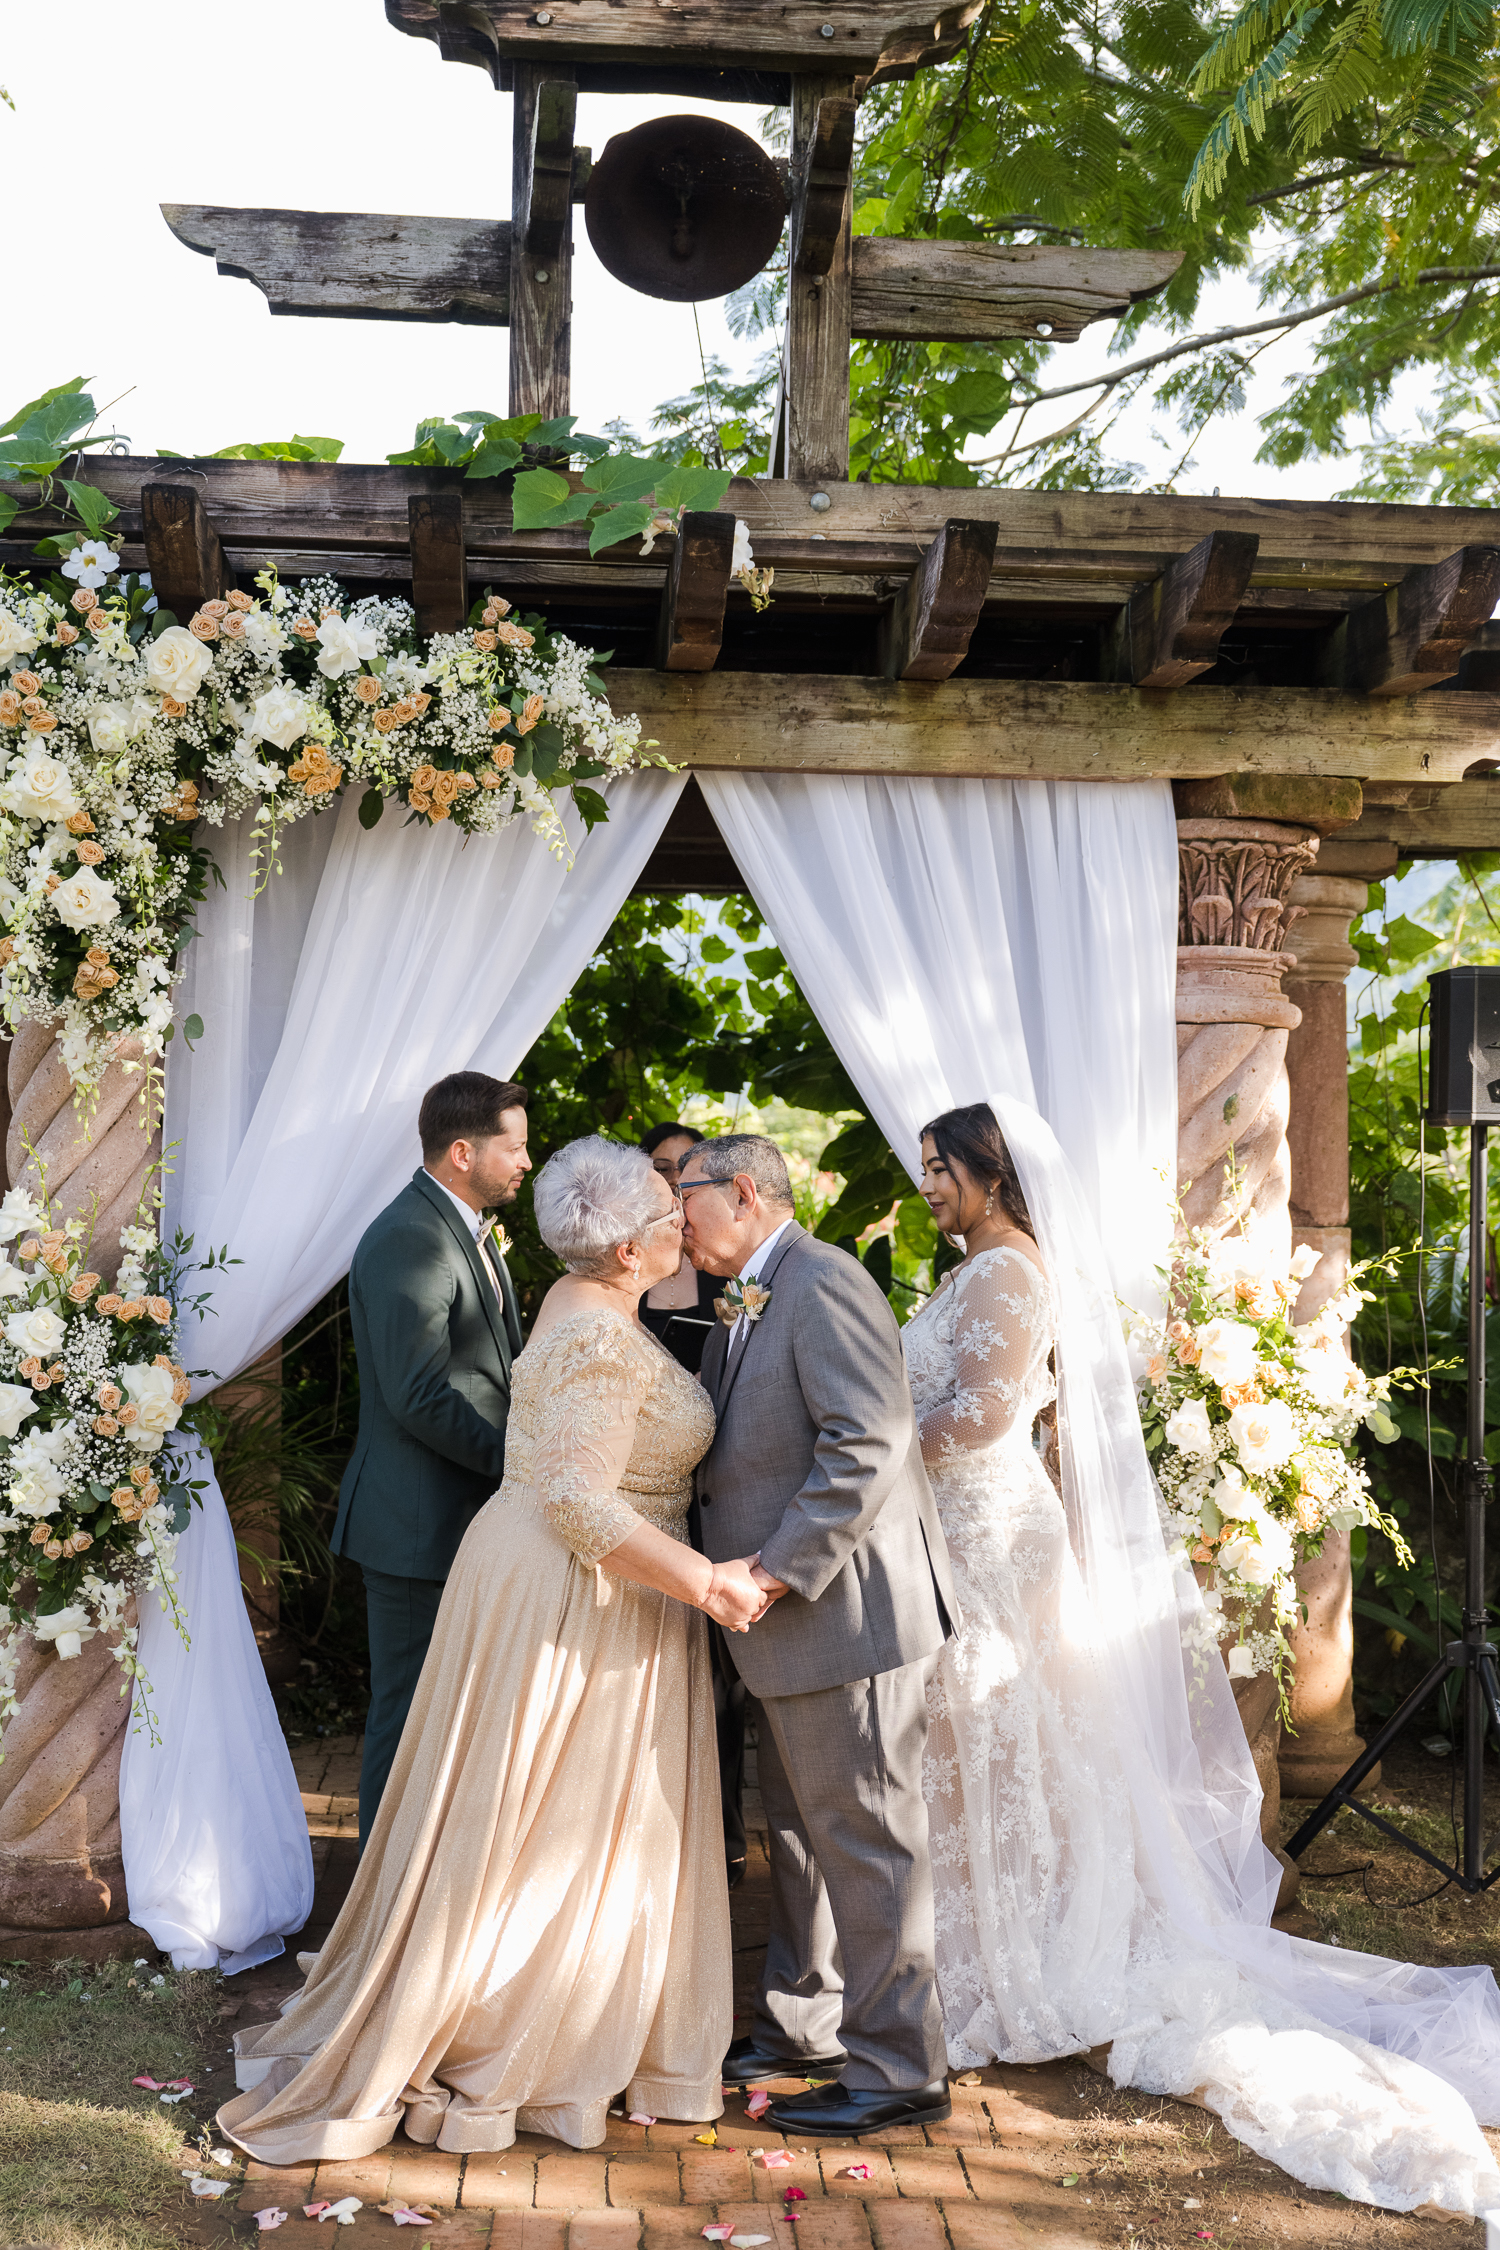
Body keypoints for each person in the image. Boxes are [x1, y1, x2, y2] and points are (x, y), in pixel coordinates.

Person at [903, 1098, 1500, 2217]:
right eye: (926, 1166)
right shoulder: (979, 1265)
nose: (928, 1184)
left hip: (986, 1535)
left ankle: (1016, 1956)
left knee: (1000, 1729)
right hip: (975, 1531)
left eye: (943, 1167)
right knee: (991, 1737)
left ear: (994, 1171)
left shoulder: (1006, 1273)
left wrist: (863, 1441)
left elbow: (980, 1417)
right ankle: (979, 1942)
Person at [219, 1138, 766, 2161]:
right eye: (663, 1212)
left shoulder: (576, 1295)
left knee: (525, 1809)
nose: (678, 1221)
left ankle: (531, 2001)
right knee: (559, 1811)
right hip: (584, 1586)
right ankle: (527, 2031)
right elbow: (574, 1496)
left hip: (531, 1564)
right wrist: (707, 1584)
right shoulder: (603, 1337)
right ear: (629, 1248)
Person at [682, 1132, 960, 2138]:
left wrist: (767, 1569)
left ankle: (899, 2070)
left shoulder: (824, 1279)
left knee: (870, 1844)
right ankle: (803, 2028)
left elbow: (867, 1446)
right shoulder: (751, 1290)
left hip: (845, 1617)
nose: (679, 1221)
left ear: (744, 1194)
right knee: (797, 1838)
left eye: (688, 1200)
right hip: (788, 1633)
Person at [330, 1072, 530, 1845]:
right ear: (460, 1152)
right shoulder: (410, 1237)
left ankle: (423, 1892)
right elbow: (418, 1395)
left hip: (453, 1517)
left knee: (447, 1714)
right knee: (408, 1716)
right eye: (512, 1147)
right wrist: (518, 1464)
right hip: (414, 1526)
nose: (524, 1161)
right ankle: (378, 1912)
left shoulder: (461, 1225)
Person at [639, 1120, 750, 1888]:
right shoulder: (633, 1283)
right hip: (653, 1495)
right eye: (663, 1174)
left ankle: (729, 1829)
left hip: (723, 1486)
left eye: (688, 1174)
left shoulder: (728, 1280)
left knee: (728, 1678)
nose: (678, 1190)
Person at [636, 1122, 720, 1375]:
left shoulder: (723, 1257)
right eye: (662, 1168)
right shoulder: (625, 1252)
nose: (675, 1179)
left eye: (685, 1169)